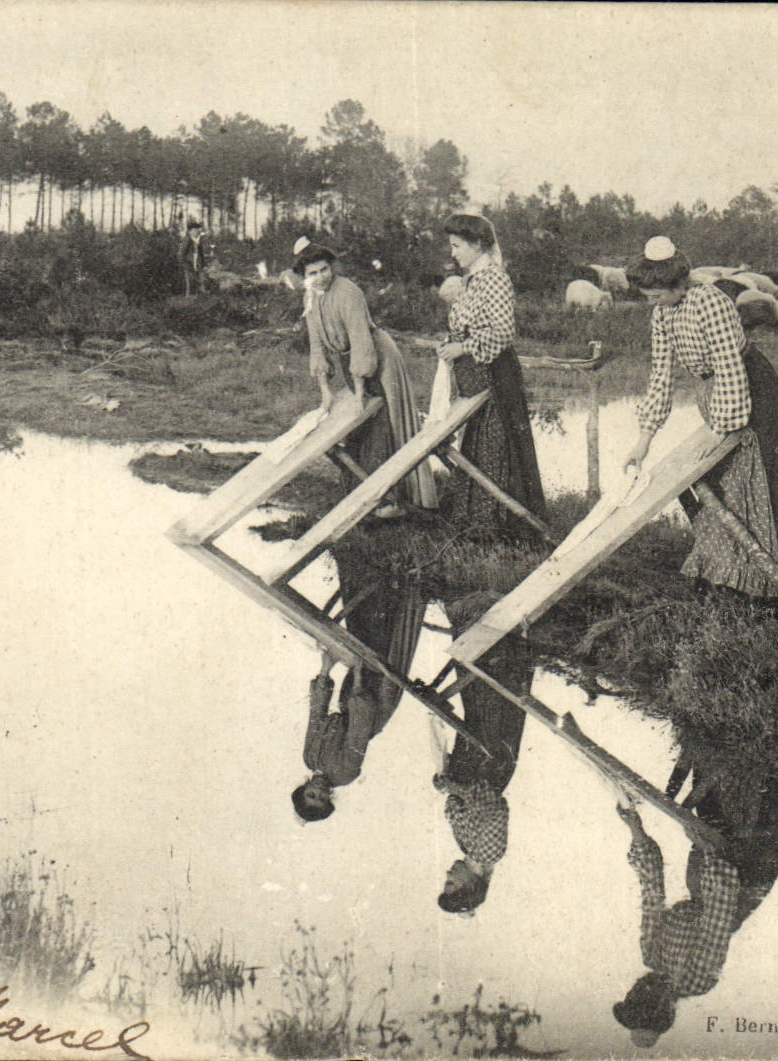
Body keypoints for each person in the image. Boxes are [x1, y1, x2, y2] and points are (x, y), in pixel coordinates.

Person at [623, 236, 778, 601]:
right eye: (648, 296)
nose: (652, 302)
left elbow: (729, 369)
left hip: (751, 395)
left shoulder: (710, 302)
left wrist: (724, 429)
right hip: (713, 397)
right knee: (726, 487)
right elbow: (661, 375)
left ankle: (770, 585)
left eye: (656, 294)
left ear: (676, 284)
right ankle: (733, 575)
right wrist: (643, 440)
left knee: (756, 484)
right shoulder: (663, 313)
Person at [612, 747, 778, 1048]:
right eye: (636, 998)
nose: (635, 989)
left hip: (708, 870)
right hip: (746, 875)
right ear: (658, 1007)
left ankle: (717, 739)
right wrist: (709, 849)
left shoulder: (651, 954)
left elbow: (651, 891)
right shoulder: (696, 981)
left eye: (630, 995)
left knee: (715, 765)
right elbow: (720, 910)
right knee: (775, 774)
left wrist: (636, 830)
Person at [295, 241, 438, 513]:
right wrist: (325, 391)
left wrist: (360, 392)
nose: (320, 277)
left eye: (324, 269)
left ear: (332, 267)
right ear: (304, 277)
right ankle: (360, 493)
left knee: (383, 424)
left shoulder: (348, 292)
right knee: (357, 429)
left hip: (379, 361)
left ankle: (390, 499)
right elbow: (317, 347)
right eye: (312, 273)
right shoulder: (311, 297)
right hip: (351, 362)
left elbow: (361, 342)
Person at [435, 214, 547, 540]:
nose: (453, 253)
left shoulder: (495, 279)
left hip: (496, 377)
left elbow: (502, 334)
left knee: (498, 447)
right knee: (479, 445)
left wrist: (462, 348)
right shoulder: (473, 279)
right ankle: (477, 521)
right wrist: (454, 344)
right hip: (477, 379)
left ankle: (503, 528)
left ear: (477, 245)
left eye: (457, 246)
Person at [293, 550, 427, 822]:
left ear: (303, 789)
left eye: (310, 795)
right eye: (321, 799)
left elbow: (316, 715)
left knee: (362, 631)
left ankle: (377, 557)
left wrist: (326, 669)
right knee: (385, 641)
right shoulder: (345, 773)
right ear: (330, 800)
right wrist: (356, 674)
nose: (318, 792)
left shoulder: (310, 757)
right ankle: (412, 566)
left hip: (351, 696)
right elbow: (359, 726)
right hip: (375, 701)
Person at [434, 591, 532, 914]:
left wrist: (451, 790)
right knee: (491, 690)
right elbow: (490, 803)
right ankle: (498, 609)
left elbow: (455, 807)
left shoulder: (467, 846)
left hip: (473, 758)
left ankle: (476, 610)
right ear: (468, 885)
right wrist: (454, 789)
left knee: (476, 692)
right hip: (490, 762)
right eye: (451, 883)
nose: (447, 874)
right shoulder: (488, 853)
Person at [180, 220, 210, 295]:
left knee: (202, 279)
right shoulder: (187, 240)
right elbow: (181, 254)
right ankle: (189, 297)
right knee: (191, 282)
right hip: (189, 264)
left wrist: (204, 265)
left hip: (197, 264)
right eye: (195, 230)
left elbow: (201, 255)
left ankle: (202, 295)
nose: (197, 231)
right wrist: (185, 264)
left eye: (197, 229)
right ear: (190, 231)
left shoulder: (197, 241)